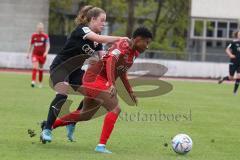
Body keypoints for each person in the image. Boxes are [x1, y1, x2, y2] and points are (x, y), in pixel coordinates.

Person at [50, 27, 153, 153]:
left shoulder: (134, 54)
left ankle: (49, 126)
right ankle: (101, 146)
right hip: (94, 78)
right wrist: (111, 83)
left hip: (101, 80)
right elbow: (110, 61)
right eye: (146, 42)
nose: (147, 46)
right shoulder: (123, 44)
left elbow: (121, 72)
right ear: (138, 39)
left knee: (85, 114)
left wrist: (129, 91)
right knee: (115, 108)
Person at [40, 5, 129, 143]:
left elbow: (103, 59)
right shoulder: (83, 30)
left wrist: (117, 58)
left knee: (92, 91)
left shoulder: (97, 40)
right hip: (61, 67)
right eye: (102, 20)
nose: (103, 23)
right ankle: (47, 128)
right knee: (62, 94)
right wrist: (120, 38)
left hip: (76, 71)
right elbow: (100, 39)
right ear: (92, 19)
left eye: (105, 21)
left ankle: (71, 122)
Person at [27, 22, 50, 88]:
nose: (40, 29)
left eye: (41, 28)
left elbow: (48, 45)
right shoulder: (33, 36)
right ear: (37, 28)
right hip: (35, 54)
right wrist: (28, 53)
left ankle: (40, 82)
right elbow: (31, 45)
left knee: (40, 69)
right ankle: (33, 81)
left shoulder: (45, 36)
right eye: (39, 28)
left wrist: (46, 52)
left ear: (43, 29)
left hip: (42, 55)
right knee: (35, 67)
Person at [218, 30, 240, 94]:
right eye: (239, 34)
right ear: (237, 35)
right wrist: (230, 55)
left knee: (239, 76)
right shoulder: (233, 42)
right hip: (233, 62)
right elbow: (227, 49)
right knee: (231, 77)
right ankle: (223, 79)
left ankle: (235, 91)